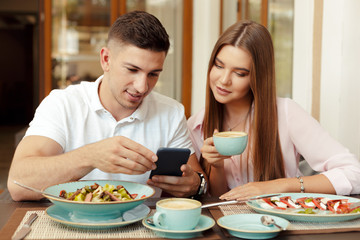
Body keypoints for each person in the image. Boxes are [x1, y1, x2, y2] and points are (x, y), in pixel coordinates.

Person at [8, 11, 206, 201]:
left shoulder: (172, 112)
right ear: (106, 60)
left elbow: (196, 178)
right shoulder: (62, 104)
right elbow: (19, 185)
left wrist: (196, 184)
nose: (142, 87)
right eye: (132, 69)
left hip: (141, 228)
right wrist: (90, 157)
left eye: (153, 74)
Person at [187, 20, 360, 200]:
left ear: (258, 77)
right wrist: (216, 166)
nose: (223, 80)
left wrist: (278, 185)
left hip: (284, 223)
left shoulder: (286, 113)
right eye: (219, 65)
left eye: (239, 73)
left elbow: (354, 172)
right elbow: (219, 201)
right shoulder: (197, 125)